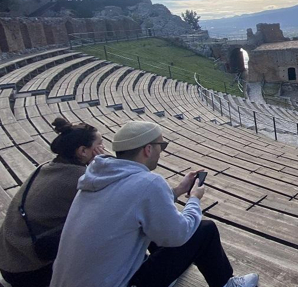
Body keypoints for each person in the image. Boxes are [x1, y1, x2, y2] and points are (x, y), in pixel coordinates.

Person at [50, 121, 259, 287]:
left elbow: (133, 203)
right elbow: (179, 235)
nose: (162, 151)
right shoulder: (149, 182)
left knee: (154, 222)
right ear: (148, 149)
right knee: (205, 230)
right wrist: (194, 198)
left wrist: (177, 191)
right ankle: (227, 284)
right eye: (162, 146)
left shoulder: (95, 177)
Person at [0, 118, 104, 287]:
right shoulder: (80, 179)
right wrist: (101, 165)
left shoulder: (45, 167)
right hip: (29, 270)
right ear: (83, 151)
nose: (103, 149)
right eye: (99, 144)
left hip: (10, 259)